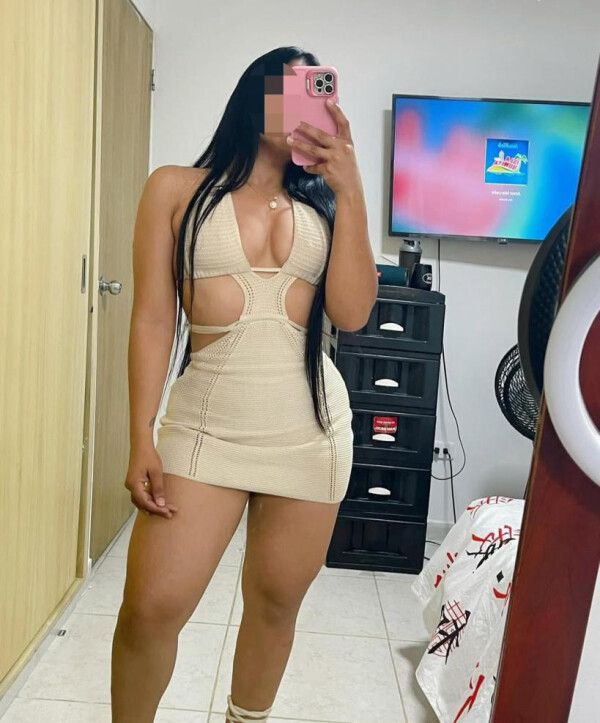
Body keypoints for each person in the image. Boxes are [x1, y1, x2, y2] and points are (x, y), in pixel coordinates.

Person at [111, 46, 377, 723]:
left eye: (314, 90)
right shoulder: (175, 188)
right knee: (150, 607)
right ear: (254, 96)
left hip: (310, 434)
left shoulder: (324, 205)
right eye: (289, 86)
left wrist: (350, 189)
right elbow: (152, 319)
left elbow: (351, 314)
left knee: (275, 604)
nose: (302, 102)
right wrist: (141, 433)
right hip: (204, 430)